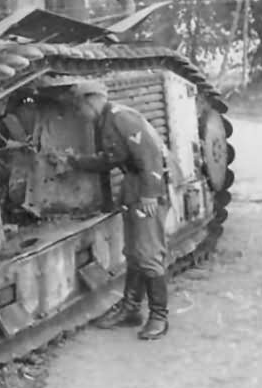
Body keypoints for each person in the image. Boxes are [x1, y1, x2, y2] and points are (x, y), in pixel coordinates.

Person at [48, 79, 170, 340]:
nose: (80, 115)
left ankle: (159, 316)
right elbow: (110, 159)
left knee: (148, 253)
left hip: (146, 190)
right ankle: (131, 309)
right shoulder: (105, 121)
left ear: (91, 100)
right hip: (133, 187)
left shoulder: (120, 117)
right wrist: (74, 162)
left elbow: (151, 155)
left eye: (80, 108)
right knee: (135, 253)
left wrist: (150, 193)